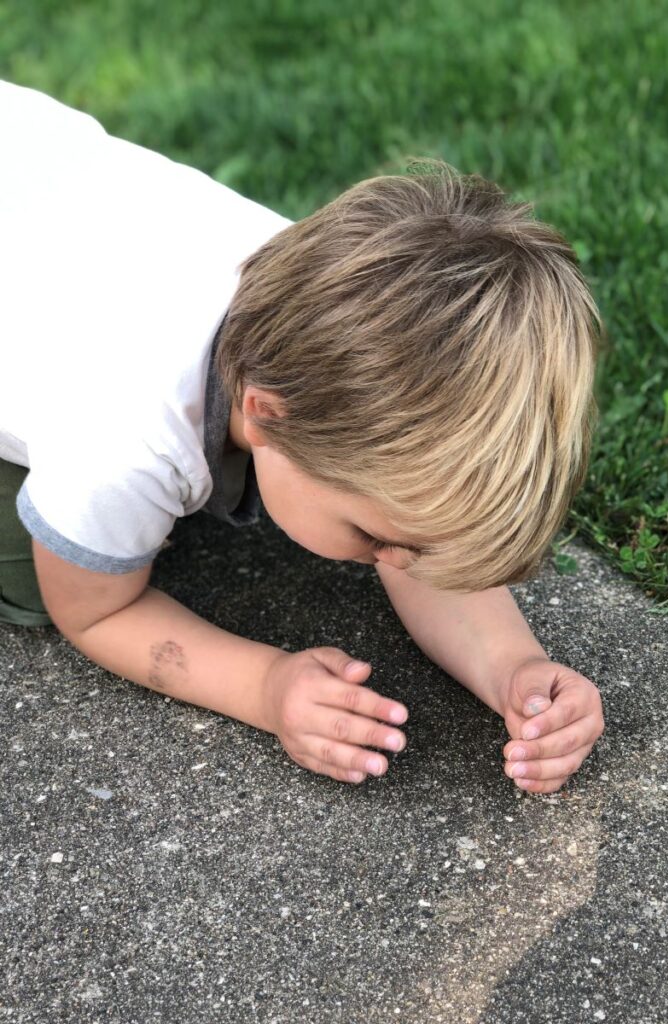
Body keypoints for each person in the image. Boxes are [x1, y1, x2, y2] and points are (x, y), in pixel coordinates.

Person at [0, 80, 604, 793]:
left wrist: (513, 666)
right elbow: (98, 611)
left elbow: (416, 535)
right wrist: (265, 686)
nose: (398, 562)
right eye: (375, 537)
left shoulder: (339, 300)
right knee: (44, 576)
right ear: (265, 414)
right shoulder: (125, 441)